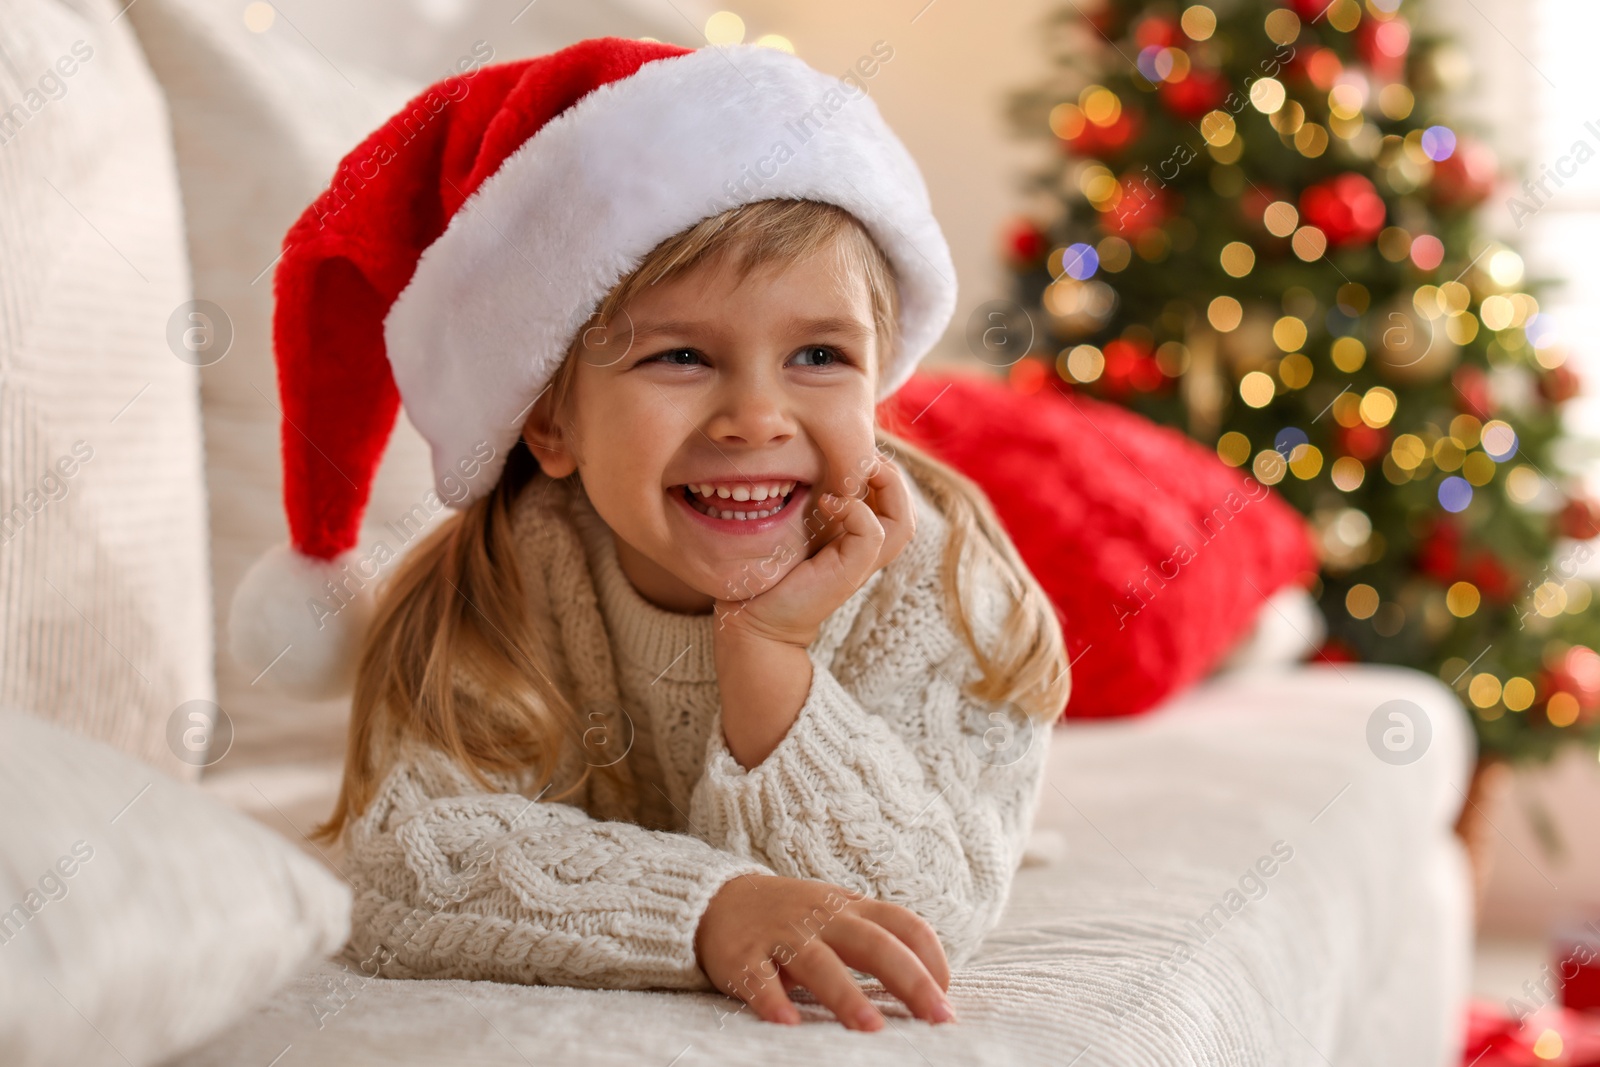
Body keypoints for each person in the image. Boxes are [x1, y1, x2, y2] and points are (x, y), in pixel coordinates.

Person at [228, 36, 1070, 1032]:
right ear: (550, 422)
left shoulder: (933, 583)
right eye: (679, 355)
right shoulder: (516, 580)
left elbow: (910, 921)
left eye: (817, 353)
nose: (755, 417)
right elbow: (410, 861)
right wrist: (706, 908)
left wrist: (771, 659)